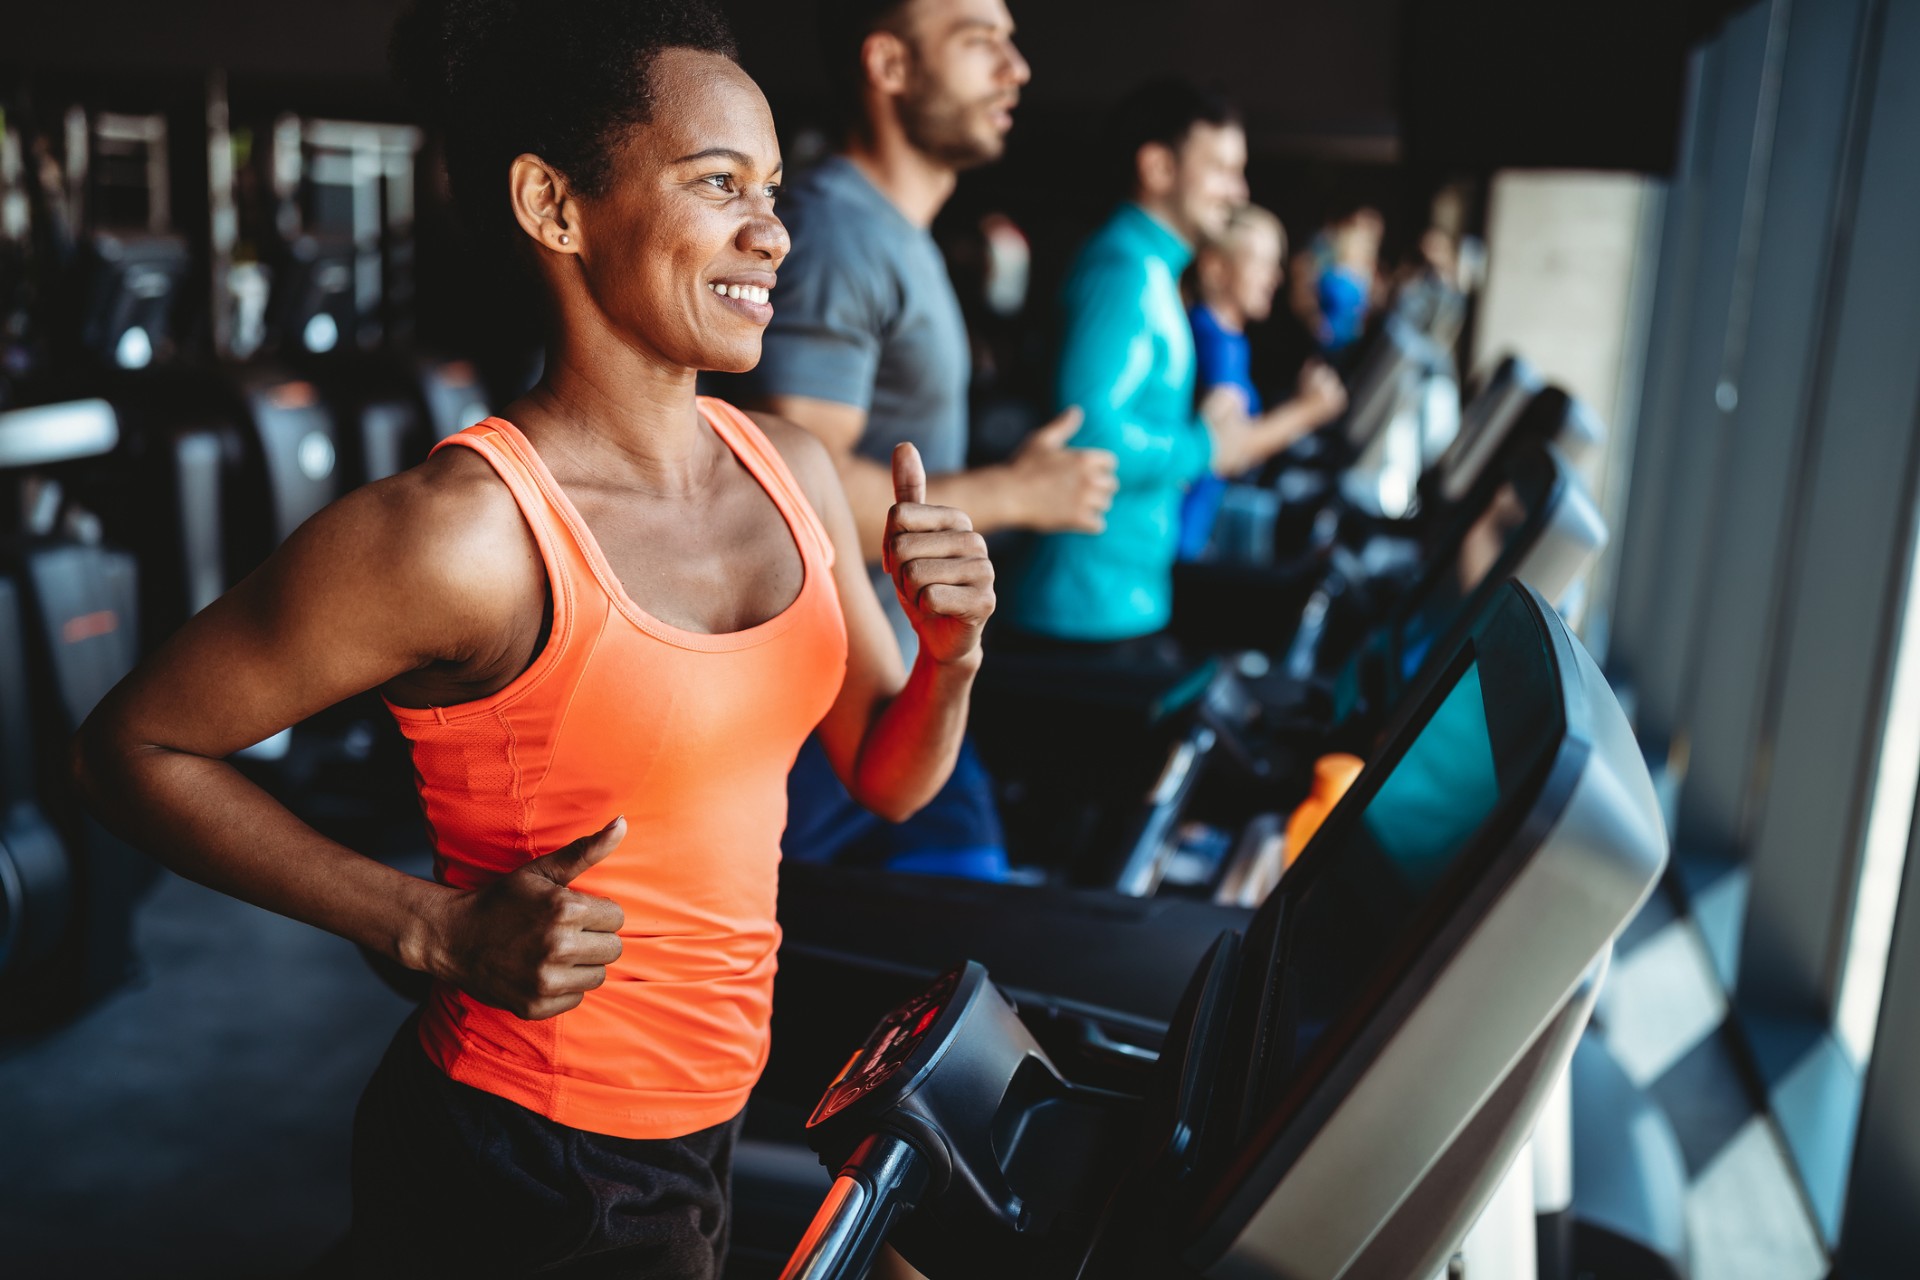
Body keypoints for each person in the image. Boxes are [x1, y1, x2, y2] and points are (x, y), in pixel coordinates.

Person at [70, 2, 996, 1275]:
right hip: (528, 1153)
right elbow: (131, 745)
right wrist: (424, 925)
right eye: (718, 182)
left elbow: (890, 777)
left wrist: (949, 654)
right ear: (554, 206)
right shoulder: (465, 536)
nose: (773, 231)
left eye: (772, 186)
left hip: (704, 1115)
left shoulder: (789, 468)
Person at [735, 0, 1116, 877]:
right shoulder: (837, 232)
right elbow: (806, 484)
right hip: (835, 717)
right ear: (890, 66)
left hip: (904, 683)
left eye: (1012, 44)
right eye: (980, 42)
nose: (1016, 69)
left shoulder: (896, 233)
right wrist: (1018, 494)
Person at [1004, 78, 1348, 654]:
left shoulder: (1154, 271)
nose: (1237, 191)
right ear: (1158, 167)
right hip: (1086, 605)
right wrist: (1205, 445)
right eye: (1218, 168)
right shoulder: (1124, 272)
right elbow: (1088, 434)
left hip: (1116, 596)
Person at [1180, 203, 1345, 559]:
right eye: (1261, 263)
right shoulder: (1214, 341)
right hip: (1185, 545)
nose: (1275, 277)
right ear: (1216, 267)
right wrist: (1309, 410)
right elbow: (1227, 453)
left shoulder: (1229, 339)